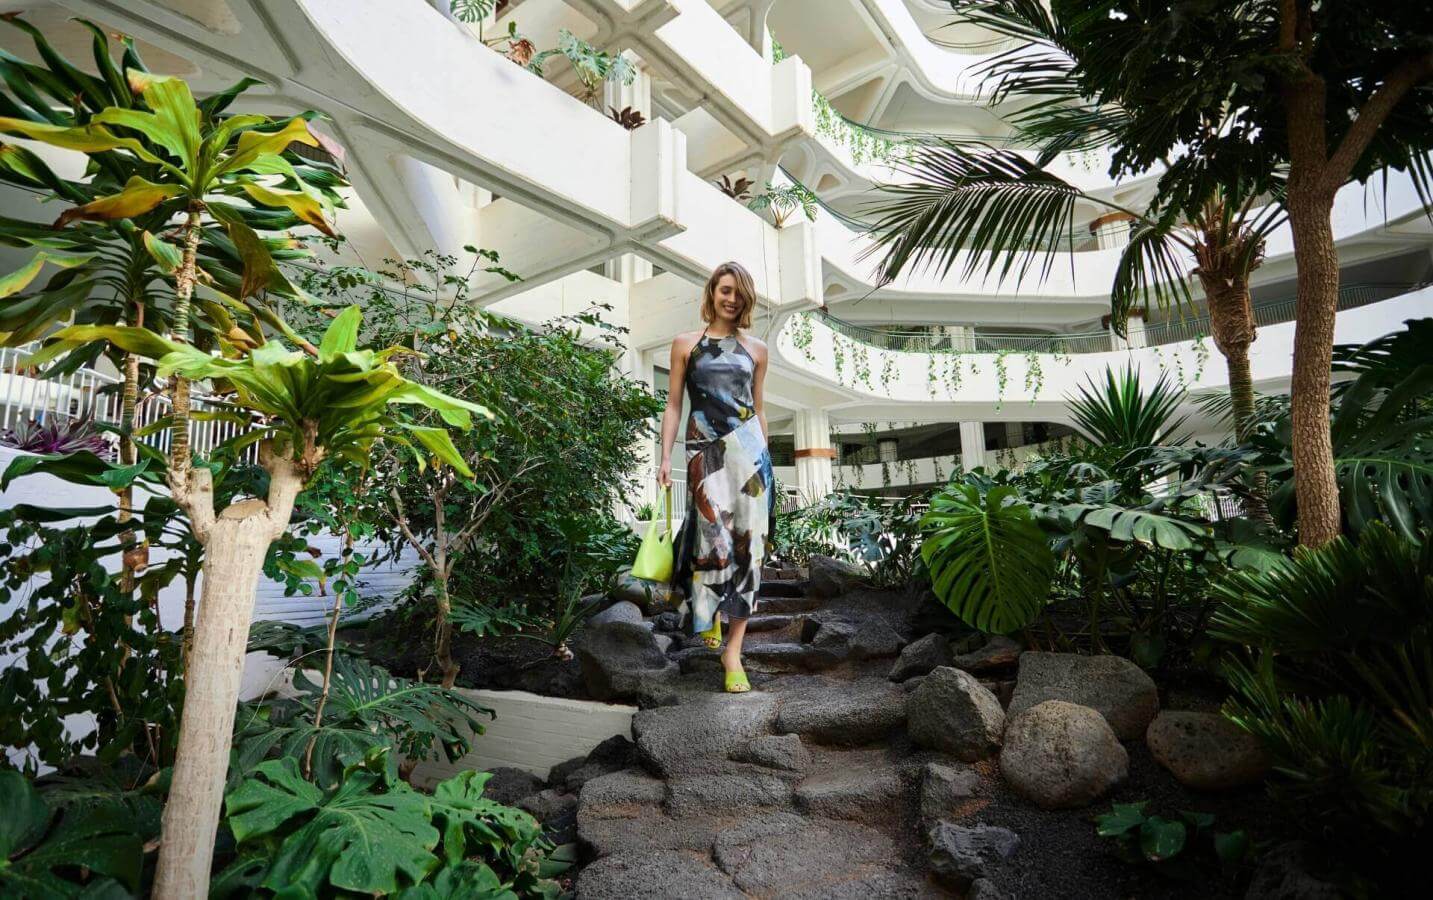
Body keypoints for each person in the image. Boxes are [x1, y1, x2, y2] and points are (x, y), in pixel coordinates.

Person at [657, 261, 776, 694]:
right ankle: (708, 615)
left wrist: (765, 457)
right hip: (704, 453)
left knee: (749, 550)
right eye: (725, 290)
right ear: (712, 292)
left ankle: (733, 652)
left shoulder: (757, 350)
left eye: (738, 293)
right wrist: (665, 457)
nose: (731, 299)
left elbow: (758, 408)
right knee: (713, 543)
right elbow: (674, 404)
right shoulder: (685, 344)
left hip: (750, 455)